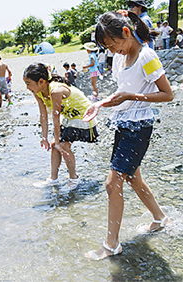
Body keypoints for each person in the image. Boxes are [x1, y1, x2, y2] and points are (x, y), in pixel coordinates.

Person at [83, 10, 173, 260]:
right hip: (123, 123)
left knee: (112, 184)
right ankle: (160, 218)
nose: (113, 52)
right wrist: (99, 105)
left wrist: (133, 97)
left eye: (113, 45)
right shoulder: (119, 59)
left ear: (125, 32)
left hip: (140, 126)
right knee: (132, 177)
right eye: (108, 49)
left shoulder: (148, 56)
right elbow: (122, 92)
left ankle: (111, 245)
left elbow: (168, 94)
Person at [23, 63, 98, 189]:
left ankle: (74, 179)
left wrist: (58, 141)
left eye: (28, 83)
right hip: (70, 118)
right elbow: (43, 115)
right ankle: (53, 179)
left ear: (41, 81)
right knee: (53, 145)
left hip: (84, 117)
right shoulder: (38, 92)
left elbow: (56, 117)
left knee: (62, 145)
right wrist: (44, 137)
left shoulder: (56, 90)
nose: (26, 87)